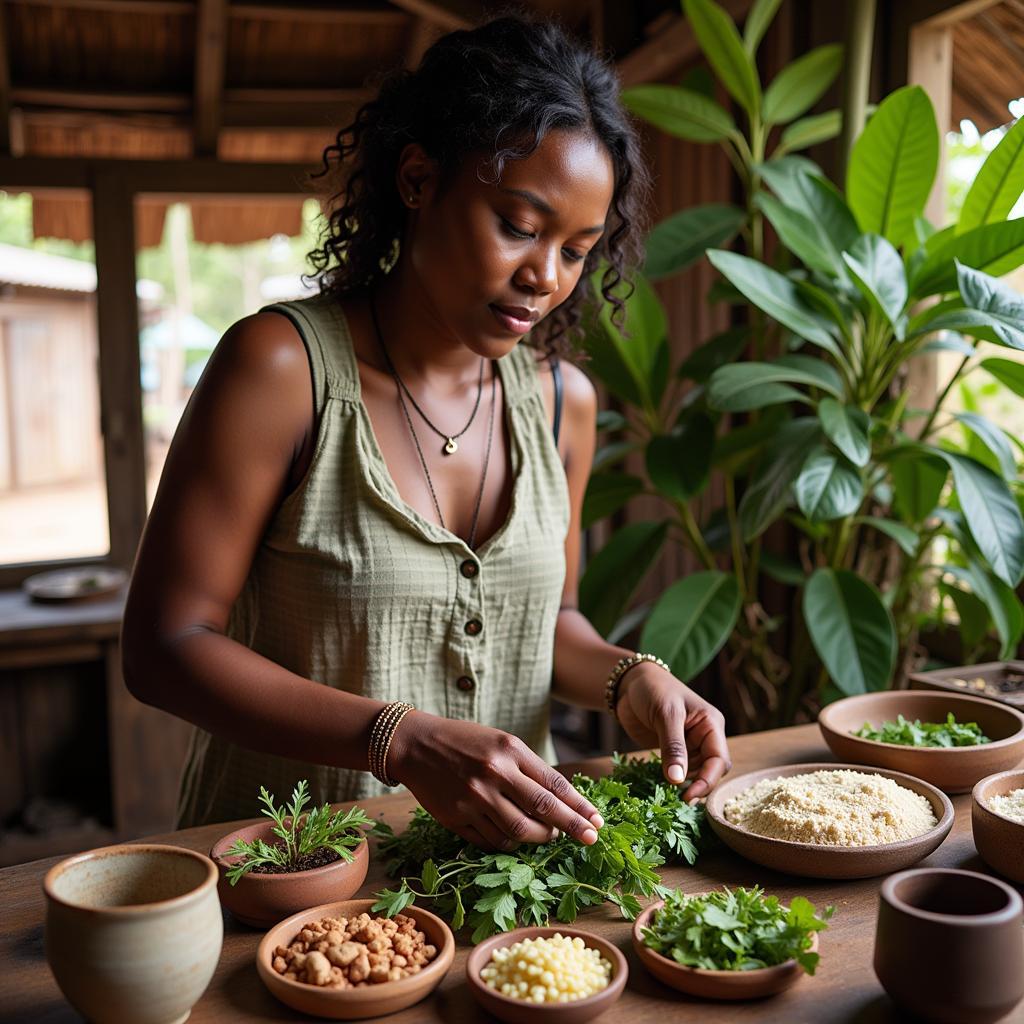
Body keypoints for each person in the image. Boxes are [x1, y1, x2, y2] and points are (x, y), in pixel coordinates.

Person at [121, 15, 731, 849]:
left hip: (502, 883)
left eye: (578, 249)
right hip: (287, 879)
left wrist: (633, 678)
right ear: (417, 179)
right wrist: (400, 739)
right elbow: (164, 647)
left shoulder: (561, 403)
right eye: (518, 225)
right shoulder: (282, 370)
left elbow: (546, 619)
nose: (544, 277)